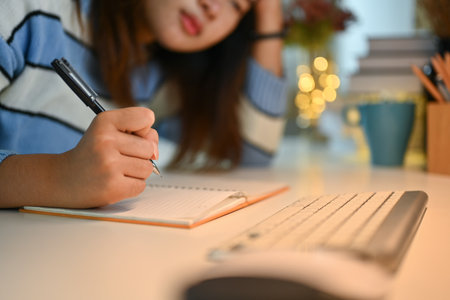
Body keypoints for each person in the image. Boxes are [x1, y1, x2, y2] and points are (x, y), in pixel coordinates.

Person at [0, 0, 288, 208]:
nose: (214, 7)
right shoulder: (30, 10)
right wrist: (58, 177)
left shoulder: (157, 78)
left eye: (237, 5)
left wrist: (270, 16)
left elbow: (252, 152)